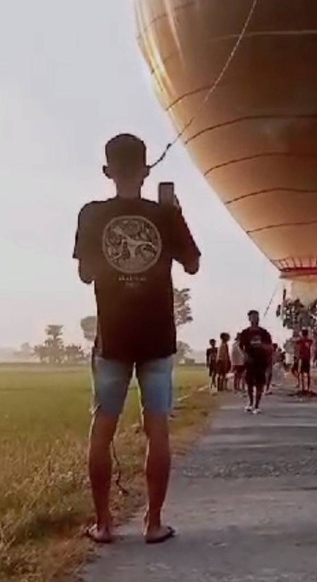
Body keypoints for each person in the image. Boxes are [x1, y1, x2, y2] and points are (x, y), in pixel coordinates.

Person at [73, 133, 200, 545]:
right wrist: (174, 214)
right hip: (158, 338)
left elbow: (86, 274)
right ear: (147, 171)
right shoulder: (163, 215)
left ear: (108, 171)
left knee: (102, 429)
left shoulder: (91, 214)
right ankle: (153, 523)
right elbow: (194, 265)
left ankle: (104, 524)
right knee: (157, 428)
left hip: (112, 337)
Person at [239, 310, 272, 413]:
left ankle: (257, 405)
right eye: (252, 317)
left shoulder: (264, 333)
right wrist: (245, 355)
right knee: (249, 383)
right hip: (250, 361)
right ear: (249, 319)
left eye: (256, 317)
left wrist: (263, 347)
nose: (255, 319)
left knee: (259, 384)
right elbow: (241, 346)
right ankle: (250, 402)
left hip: (261, 360)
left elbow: (270, 346)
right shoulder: (245, 333)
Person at [297, 328, 313, 393]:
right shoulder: (309, 341)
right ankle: (308, 388)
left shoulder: (301, 340)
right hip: (308, 358)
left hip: (303, 358)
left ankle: (303, 387)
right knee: (308, 373)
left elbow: (296, 342)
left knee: (302, 373)